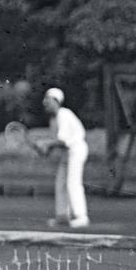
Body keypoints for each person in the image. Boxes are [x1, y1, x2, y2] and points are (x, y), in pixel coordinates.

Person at [42, 87, 89, 230]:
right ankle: (62, 217)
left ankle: (81, 217)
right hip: (66, 153)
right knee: (60, 184)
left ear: (56, 101)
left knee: (72, 183)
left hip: (76, 149)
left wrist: (46, 144)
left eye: (48, 99)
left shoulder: (63, 114)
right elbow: (55, 143)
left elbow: (61, 141)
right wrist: (46, 148)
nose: (45, 102)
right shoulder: (53, 120)